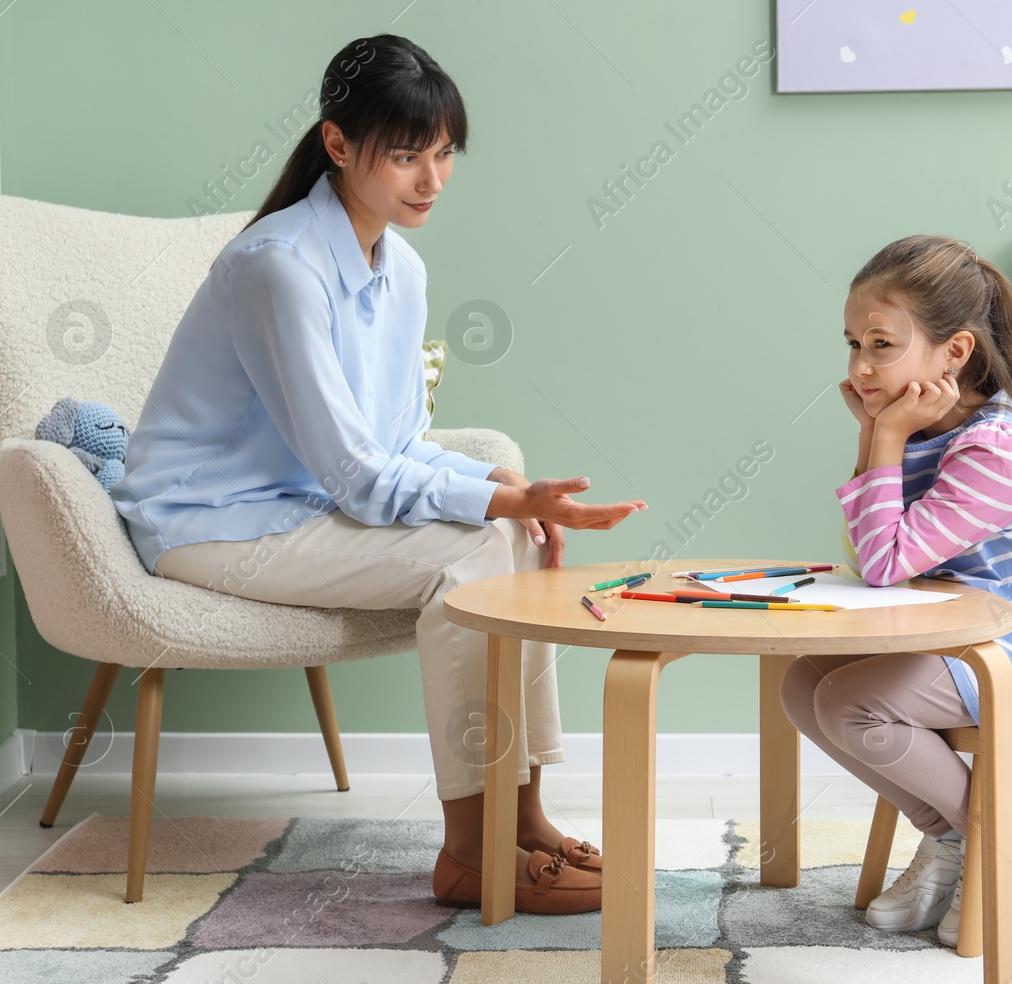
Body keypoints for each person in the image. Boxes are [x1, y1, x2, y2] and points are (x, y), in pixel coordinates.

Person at [113, 35, 646, 915]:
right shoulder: (277, 268)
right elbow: (358, 474)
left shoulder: (401, 269)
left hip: (299, 509)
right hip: (212, 524)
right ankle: (471, 850)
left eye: (442, 154)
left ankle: (526, 819)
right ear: (336, 144)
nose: (431, 180)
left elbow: (399, 440)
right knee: (475, 553)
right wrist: (499, 496)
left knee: (512, 535)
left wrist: (518, 496)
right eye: (406, 156)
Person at [778, 235, 1012, 945]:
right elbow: (872, 556)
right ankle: (953, 837)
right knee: (801, 684)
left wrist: (883, 440)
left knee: (850, 703)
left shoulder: (993, 445)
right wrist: (880, 435)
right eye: (853, 342)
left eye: (882, 344)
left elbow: (885, 565)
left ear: (955, 353)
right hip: (978, 635)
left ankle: (1008, 828)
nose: (858, 366)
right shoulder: (925, 424)